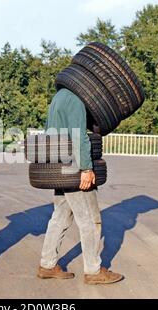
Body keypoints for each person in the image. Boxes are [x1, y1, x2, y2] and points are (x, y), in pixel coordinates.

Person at [37, 88, 124, 285]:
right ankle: (93, 270)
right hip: (75, 167)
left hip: (60, 167)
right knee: (91, 220)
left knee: (60, 216)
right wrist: (86, 168)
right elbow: (79, 136)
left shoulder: (59, 97)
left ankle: (47, 265)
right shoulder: (76, 99)